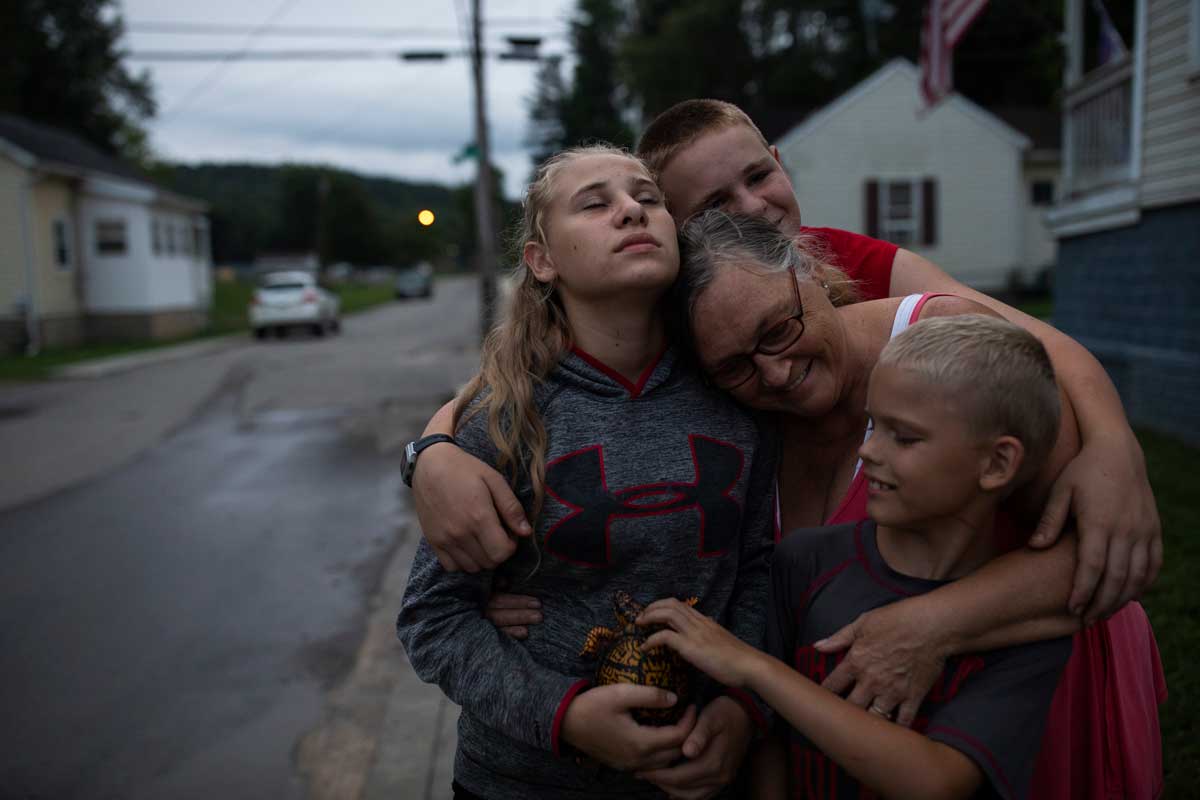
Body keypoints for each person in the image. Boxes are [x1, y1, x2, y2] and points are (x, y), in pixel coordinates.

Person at [406, 100, 1165, 797]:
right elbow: (448, 596)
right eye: (707, 204)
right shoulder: (707, 386)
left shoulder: (894, 329)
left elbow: (1040, 356)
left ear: (815, 270)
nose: (774, 370)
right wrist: (431, 454)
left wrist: (1112, 441)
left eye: (758, 176)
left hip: (1011, 693)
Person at [396, 147, 778, 799]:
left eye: (648, 198)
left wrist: (744, 706)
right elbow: (433, 618)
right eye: (596, 205)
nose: (632, 210)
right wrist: (564, 715)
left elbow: (759, 568)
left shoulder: (737, 390)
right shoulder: (502, 418)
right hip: (522, 782)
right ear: (542, 261)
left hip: (701, 774)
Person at [638, 313, 1075, 800]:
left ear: (997, 463)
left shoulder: (1025, 627)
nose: (868, 450)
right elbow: (771, 740)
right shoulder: (806, 561)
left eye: (903, 436)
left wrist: (754, 667)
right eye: (873, 425)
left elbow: (936, 779)